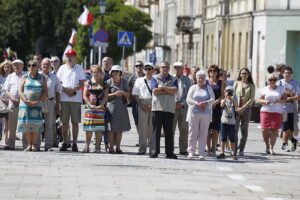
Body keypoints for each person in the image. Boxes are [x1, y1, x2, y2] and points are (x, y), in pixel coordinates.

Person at [57, 49, 86, 152]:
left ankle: (74, 143)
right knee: (64, 122)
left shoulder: (79, 68)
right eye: (68, 56)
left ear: (75, 57)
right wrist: (66, 90)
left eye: (71, 56)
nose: (69, 58)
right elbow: (58, 82)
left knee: (75, 122)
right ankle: (65, 142)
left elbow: (82, 83)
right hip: (64, 98)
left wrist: (73, 90)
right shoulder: (62, 68)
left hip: (76, 99)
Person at [149, 61, 178, 159]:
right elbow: (154, 91)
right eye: (162, 67)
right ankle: (154, 152)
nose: (164, 69)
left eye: (166, 67)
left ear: (169, 68)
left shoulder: (174, 79)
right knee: (155, 131)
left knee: (169, 132)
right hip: (157, 108)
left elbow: (174, 91)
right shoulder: (154, 78)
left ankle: (169, 153)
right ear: (159, 68)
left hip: (169, 109)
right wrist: (167, 90)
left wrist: (162, 88)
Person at [17, 60, 48, 151]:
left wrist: (38, 101)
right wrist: (26, 101)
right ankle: (29, 145)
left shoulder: (42, 77)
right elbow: (20, 90)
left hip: (37, 104)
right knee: (26, 124)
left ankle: (34, 144)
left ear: (37, 67)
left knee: (35, 124)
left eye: (33, 65)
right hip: (25, 104)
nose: (31, 67)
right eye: (29, 65)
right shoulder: (24, 76)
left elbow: (45, 91)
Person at [186, 70, 215, 160]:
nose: (200, 80)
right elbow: (188, 99)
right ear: (196, 78)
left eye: (202, 78)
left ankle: (201, 153)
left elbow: (212, 99)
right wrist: (197, 104)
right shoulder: (193, 87)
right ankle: (191, 152)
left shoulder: (208, 88)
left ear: (205, 79)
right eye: (199, 78)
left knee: (203, 133)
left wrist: (205, 103)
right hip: (194, 113)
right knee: (192, 133)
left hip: (205, 114)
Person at [82, 65, 108, 153]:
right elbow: (84, 95)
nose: (95, 73)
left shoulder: (104, 83)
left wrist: (102, 105)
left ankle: (97, 147)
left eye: (97, 72)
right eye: (93, 72)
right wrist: (89, 105)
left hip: (100, 108)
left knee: (99, 129)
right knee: (89, 128)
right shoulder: (88, 83)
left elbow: (106, 96)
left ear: (100, 73)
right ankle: (87, 146)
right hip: (90, 108)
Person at [106, 65, 131, 154]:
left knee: (119, 129)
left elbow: (129, 95)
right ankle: (111, 147)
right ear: (111, 73)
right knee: (112, 129)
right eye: (113, 71)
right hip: (111, 107)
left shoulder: (125, 82)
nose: (115, 73)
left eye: (117, 71)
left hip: (122, 107)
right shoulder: (108, 82)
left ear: (120, 73)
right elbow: (105, 96)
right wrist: (114, 94)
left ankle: (118, 148)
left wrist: (123, 93)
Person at [3, 59, 26, 150]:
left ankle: (25, 144)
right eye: (14, 65)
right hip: (12, 103)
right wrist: (12, 98)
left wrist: (21, 99)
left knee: (24, 124)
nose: (16, 66)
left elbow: (27, 89)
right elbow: (6, 90)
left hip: (23, 102)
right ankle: (11, 144)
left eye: (18, 65)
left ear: (22, 66)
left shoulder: (26, 75)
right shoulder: (10, 76)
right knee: (11, 125)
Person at [259, 74, 285, 155]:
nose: (272, 81)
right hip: (265, 111)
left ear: (276, 80)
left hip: (277, 112)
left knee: (274, 130)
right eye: (270, 80)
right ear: (268, 81)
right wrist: (265, 102)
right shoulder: (265, 89)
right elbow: (260, 99)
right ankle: (267, 145)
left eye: (274, 79)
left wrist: (280, 100)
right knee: (264, 129)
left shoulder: (281, 89)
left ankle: (271, 148)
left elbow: (285, 98)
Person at [132, 63, 154, 155]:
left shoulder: (156, 80)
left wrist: (152, 105)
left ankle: (153, 149)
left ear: (153, 70)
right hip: (142, 102)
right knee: (142, 128)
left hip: (153, 103)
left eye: (150, 69)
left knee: (153, 127)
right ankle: (142, 148)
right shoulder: (139, 80)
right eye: (146, 69)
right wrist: (140, 105)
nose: (148, 71)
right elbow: (135, 94)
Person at [277, 66, 300, 152]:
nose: (288, 74)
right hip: (282, 109)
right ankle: (293, 141)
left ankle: (285, 145)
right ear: (283, 74)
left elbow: (298, 96)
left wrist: (290, 98)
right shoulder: (279, 83)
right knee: (285, 126)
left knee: (291, 128)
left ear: (291, 74)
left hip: (293, 109)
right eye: (286, 73)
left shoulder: (295, 83)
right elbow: (275, 93)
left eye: (289, 73)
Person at [233, 67, 255, 156]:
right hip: (236, 108)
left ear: (248, 75)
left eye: (245, 73)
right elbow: (233, 96)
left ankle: (241, 148)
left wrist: (243, 108)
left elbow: (251, 99)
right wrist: (237, 107)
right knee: (235, 129)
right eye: (242, 73)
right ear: (240, 74)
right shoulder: (236, 83)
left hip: (246, 109)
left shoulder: (251, 85)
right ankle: (234, 148)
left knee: (244, 130)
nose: (244, 75)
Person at [41, 58, 62, 151]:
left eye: (48, 64)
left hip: (50, 101)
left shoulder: (54, 77)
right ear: (41, 65)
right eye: (44, 64)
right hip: (38, 102)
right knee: (38, 123)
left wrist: (57, 105)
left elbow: (58, 92)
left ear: (50, 66)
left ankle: (48, 145)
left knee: (49, 124)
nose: (46, 66)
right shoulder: (37, 75)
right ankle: (36, 144)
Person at [172, 61, 192, 155]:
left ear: (182, 69)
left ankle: (183, 149)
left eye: (179, 68)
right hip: (172, 107)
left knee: (184, 130)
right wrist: (174, 103)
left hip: (184, 108)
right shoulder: (170, 79)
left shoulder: (188, 80)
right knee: (171, 129)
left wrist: (182, 104)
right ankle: (170, 148)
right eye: (175, 68)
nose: (177, 69)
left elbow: (189, 95)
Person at [206, 65, 225, 156]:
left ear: (217, 72)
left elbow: (222, 95)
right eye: (210, 71)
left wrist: (215, 103)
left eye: (214, 71)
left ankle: (213, 148)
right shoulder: (206, 82)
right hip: (207, 107)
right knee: (207, 128)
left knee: (215, 129)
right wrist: (209, 104)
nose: (212, 72)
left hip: (217, 108)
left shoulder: (220, 83)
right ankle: (208, 148)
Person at [217, 86, 238, 160]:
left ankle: (233, 153)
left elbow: (237, 106)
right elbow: (222, 105)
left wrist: (233, 98)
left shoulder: (234, 100)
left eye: (230, 92)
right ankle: (222, 152)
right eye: (227, 92)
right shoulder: (224, 100)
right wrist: (225, 97)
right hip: (224, 121)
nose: (228, 93)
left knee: (232, 138)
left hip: (231, 122)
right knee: (223, 137)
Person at [128, 61, 145, 143]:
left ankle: (145, 139)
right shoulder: (132, 78)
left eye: (140, 65)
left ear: (143, 67)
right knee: (137, 121)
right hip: (135, 103)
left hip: (145, 101)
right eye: (137, 65)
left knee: (146, 122)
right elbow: (128, 89)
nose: (138, 67)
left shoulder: (146, 77)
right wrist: (130, 100)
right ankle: (140, 139)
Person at [0, 60, 13, 144]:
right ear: (2, 68)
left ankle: (7, 139)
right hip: (1, 101)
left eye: (8, 67)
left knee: (8, 122)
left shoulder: (13, 77)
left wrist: (10, 99)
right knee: (1, 121)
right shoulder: (0, 77)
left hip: (10, 101)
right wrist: (1, 99)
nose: (7, 69)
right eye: (5, 67)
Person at [101, 56, 112, 151]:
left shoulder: (113, 74)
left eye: (108, 62)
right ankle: (97, 141)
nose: (106, 63)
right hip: (99, 102)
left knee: (107, 124)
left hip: (110, 102)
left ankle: (107, 143)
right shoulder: (98, 73)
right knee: (99, 122)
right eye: (104, 61)